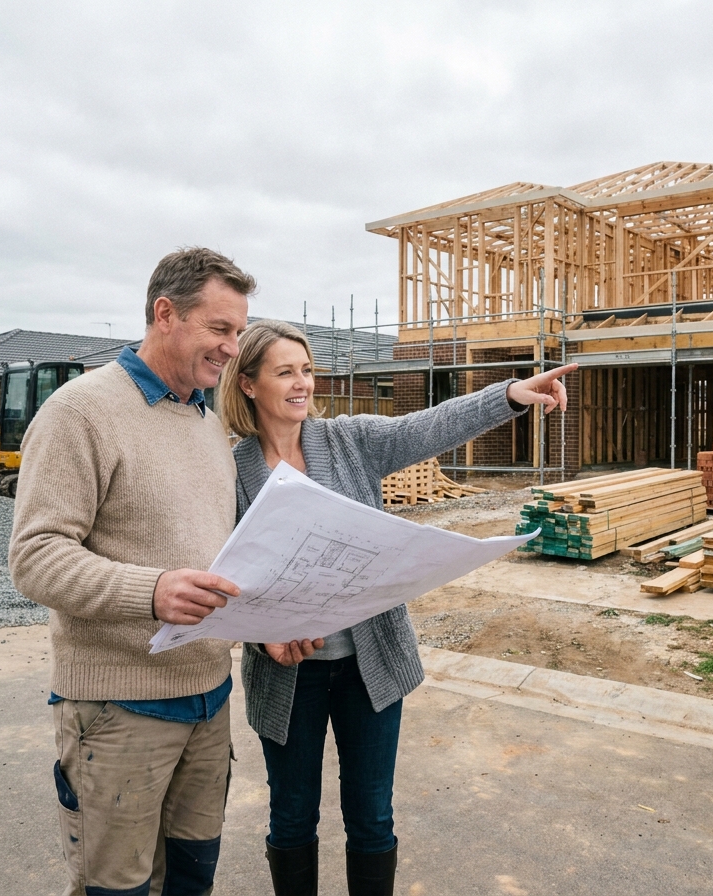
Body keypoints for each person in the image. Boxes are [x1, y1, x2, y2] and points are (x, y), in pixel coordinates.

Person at [220, 320, 575, 896]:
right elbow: (224, 574)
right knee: (291, 818)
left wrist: (508, 395)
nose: (302, 383)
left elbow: (427, 427)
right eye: (285, 372)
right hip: (288, 677)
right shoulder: (231, 471)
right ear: (248, 385)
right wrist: (263, 634)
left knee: (371, 817)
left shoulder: (349, 441)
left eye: (307, 370)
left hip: (368, 667)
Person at [10, 249, 320, 896]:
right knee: (117, 886)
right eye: (220, 329)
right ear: (164, 314)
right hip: (119, 710)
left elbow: (218, 559)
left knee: (190, 879)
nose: (233, 348)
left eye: (238, 332)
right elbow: (35, 556)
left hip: (208, 705)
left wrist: (259, 624)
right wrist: (150, 591)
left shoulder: (206, 422)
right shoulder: (80, 413)